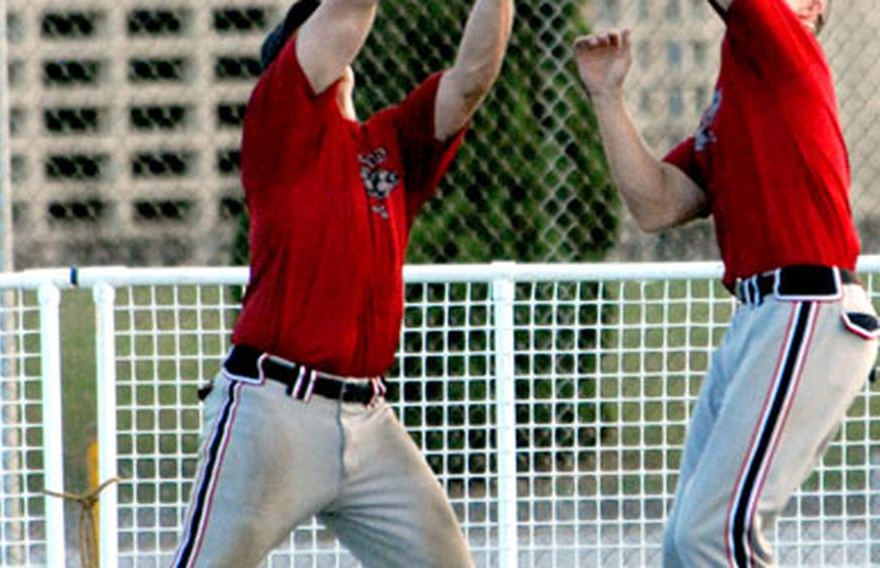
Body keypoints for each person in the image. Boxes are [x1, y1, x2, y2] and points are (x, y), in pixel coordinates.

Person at [171, 0, 513, 566]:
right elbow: (349, 13)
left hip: (368, 420)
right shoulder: (282, 118)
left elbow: (473, 78)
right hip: (274, 409)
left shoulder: (389, 144)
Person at [574, 0, 878, 566]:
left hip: (807, 308)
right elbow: (657, 204)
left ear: (810, 7)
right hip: (762, 320)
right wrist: (608, 96)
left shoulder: (787, 50)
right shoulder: (733, 102)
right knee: (685, 543)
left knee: (713, 537)